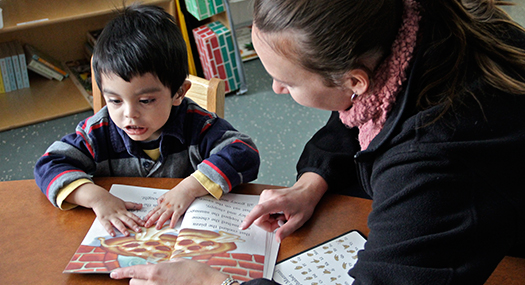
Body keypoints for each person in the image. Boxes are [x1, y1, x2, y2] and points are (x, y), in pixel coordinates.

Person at [110, 0, 525, 284]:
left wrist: (217, 282)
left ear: (354, 79)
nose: (272, 89)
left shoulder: (437, 157)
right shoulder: (400, 28)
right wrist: (311, 183)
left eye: (287, 82)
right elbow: (350, 117)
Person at [34, 4, 260, 238]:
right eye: (115, 100)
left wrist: (190, 188)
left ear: (179, 93)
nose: (129, 114)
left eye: (145, 100)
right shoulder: (98, 132)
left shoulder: (196, 125)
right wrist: (96, 197)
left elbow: (244, 153)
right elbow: (49, 165)